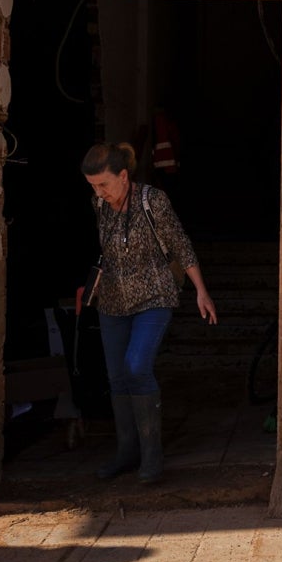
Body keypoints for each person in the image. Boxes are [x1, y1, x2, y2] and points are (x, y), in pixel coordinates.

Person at [80, 142, 217, 483]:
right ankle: (126, 452)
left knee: (136, 366)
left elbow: (180, 244)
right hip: (112, 302)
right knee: (116, 377)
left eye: (104, 184)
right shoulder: (99, 203)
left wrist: (201, 289)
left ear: (123, 176)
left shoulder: (152, 200)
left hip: (153, 297)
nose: (99, 192)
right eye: (93, 186)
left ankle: (151, 457)